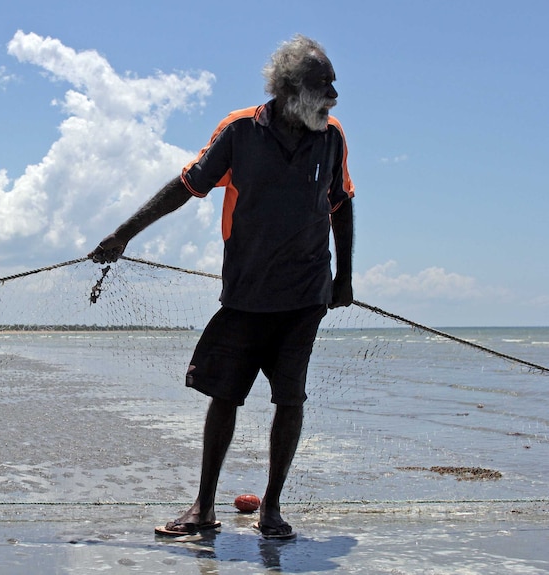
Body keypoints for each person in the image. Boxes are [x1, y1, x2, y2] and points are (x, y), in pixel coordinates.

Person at [89, 34, 355, 540]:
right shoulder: (239, 132)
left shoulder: (332, 136)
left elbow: (340, 204)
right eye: (325, 86)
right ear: (291, 88)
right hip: (245, 294)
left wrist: (344, 277)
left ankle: (271, 509)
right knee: (224, 396)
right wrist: (123, 235)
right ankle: (203, 508)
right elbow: (186, 186)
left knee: (290, 400)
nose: (334, 97)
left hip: (305, 295)